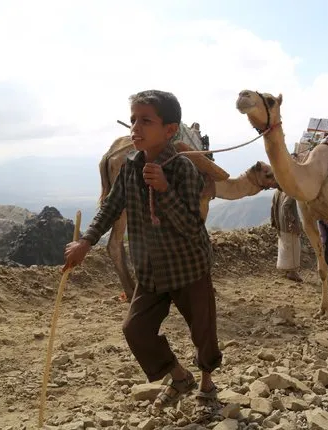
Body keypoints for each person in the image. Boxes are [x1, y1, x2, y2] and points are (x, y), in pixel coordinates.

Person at [62, 90, 222, 418]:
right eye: (133, 119)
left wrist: (164, 190)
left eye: (145, 120)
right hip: (149, 270)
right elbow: (111, 207)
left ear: (169, 130)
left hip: (189, 267)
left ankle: (207, 382)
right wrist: (86, 243)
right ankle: (180, 377)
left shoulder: (182, 170)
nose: (135, 126)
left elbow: (193, 227)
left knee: (202, 330)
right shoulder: (131, 166)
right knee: (134, 330)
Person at [271, 188, 303, 282]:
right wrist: (292, 221)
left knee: (285, 249)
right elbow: (285, 207)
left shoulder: (277, 192)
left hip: (280, 226)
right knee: (294, 249)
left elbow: (273, 207)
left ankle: (286, 270)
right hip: (289, 227)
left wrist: (273, 221)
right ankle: (292, 273)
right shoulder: (291, 191)